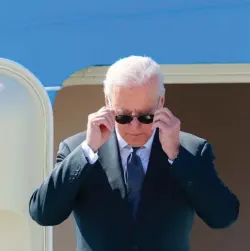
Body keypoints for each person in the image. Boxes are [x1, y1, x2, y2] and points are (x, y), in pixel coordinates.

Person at [28, 56, 240, 251]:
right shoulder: (77, 148)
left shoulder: (191, 149)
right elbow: (44, 213)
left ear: (161, 103)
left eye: (146, 116)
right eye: (123, 117)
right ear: (108, 103)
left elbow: (223, 217)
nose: (135, 126)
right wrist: (88, 150)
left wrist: (177, 155)